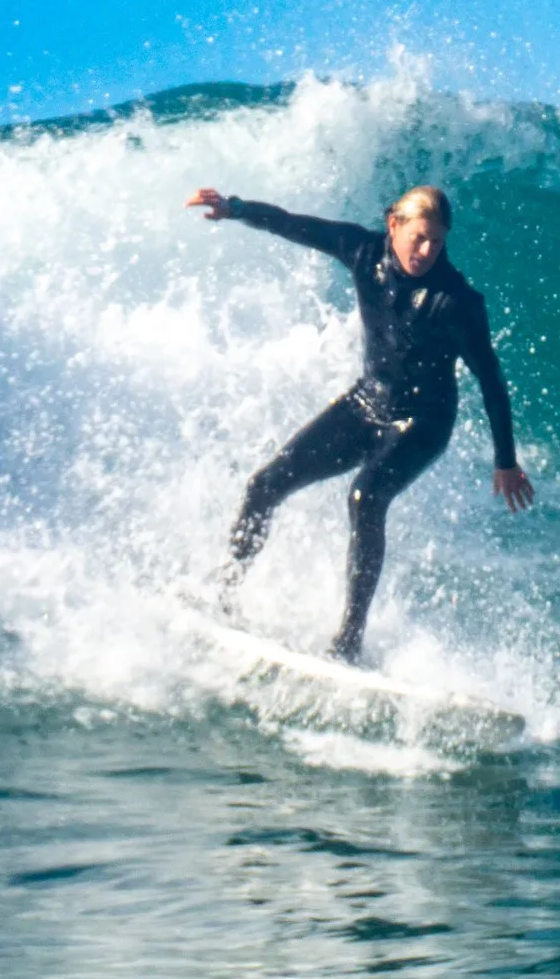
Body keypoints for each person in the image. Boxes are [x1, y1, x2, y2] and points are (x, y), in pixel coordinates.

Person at [187, 182, 536, 661]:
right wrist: (237, 207)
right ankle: (223, 593)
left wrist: (506, 461)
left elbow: (492, 383)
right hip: (367, 403)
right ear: (394, 226)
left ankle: (348, 642)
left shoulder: (456, 302)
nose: (428, 250)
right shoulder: (362, 251)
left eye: (438, 241)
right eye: (419, 238)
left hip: (424, 421)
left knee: (365, 498)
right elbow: (294, 223)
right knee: (265, 484)